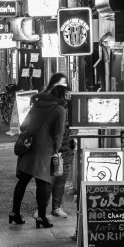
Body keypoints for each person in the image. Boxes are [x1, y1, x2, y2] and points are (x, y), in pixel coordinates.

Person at [9, 83, 66, 228]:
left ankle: (15, 213)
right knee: (43, 183)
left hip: (27, 147)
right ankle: (41, 217)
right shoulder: (59, 110)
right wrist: (56, 150)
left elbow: (23, 126)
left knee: (22, 181)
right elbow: (59, 134)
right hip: (44, 150)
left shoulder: (36, 105)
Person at [43, 73, 75, 220]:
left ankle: (56, 207)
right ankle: (43, 208)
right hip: (52, 148)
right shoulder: (51, 107)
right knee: (49, 179)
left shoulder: (69, 106)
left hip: (65, 147)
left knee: (60, 179)